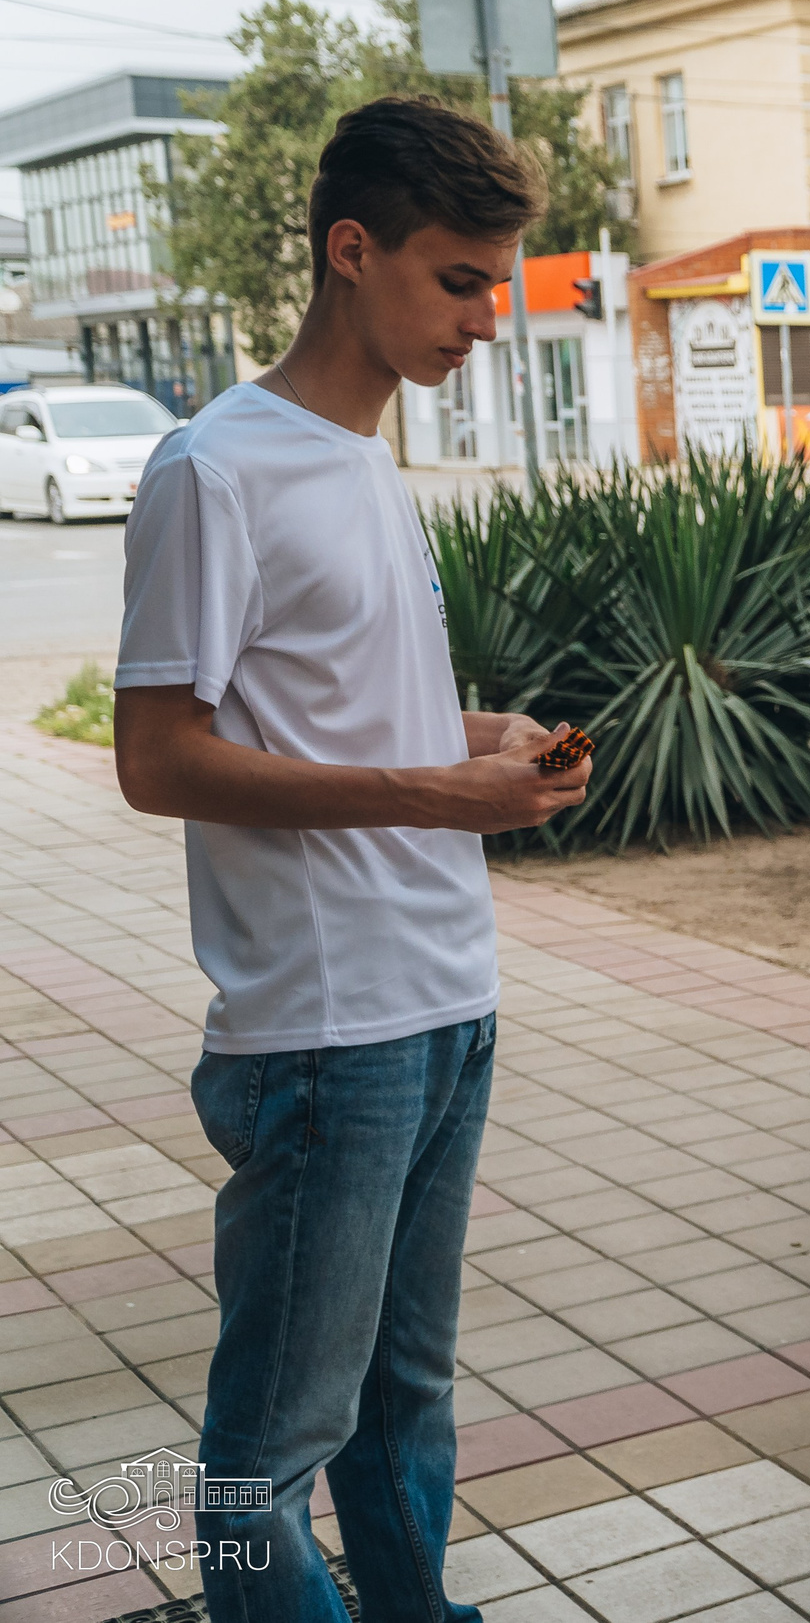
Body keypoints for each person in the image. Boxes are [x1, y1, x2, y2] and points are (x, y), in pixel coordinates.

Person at [111, 97, 589, 1623]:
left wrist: (478, 738)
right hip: (324, 1033)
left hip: (445, 1000)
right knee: (273, 1449)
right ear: (350, 248)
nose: (489, 320)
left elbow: (327, 708)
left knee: (409, 1402)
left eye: (498, 283)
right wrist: (431, 792)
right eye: (460, 279)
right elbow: (155, 754)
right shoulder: (217, 466)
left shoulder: (367, 455)